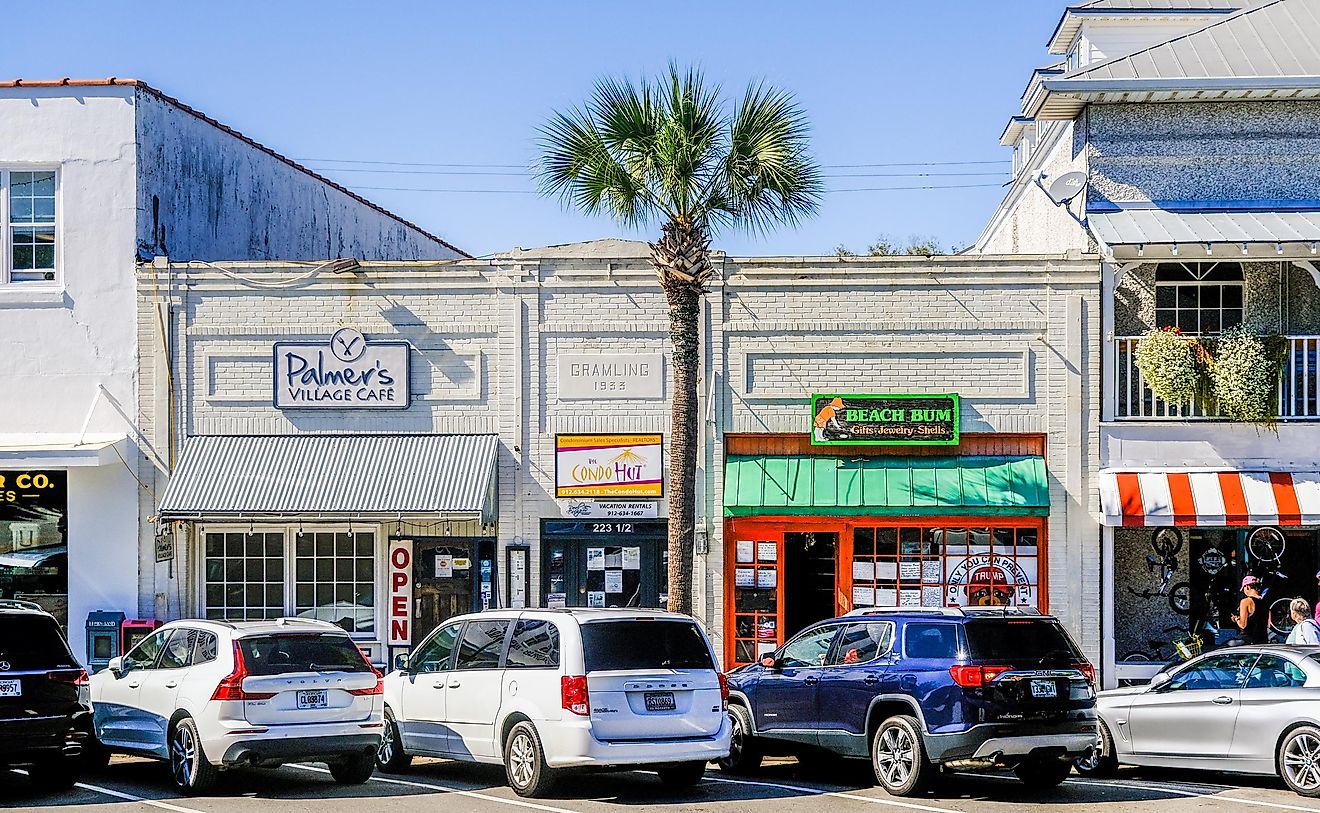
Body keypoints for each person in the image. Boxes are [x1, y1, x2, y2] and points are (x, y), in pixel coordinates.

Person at [1231, 576, 1269, 644]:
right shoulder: (1266, 602)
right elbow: (1269, 624)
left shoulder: (1246, 601)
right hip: (1263, 640)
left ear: (1247, 587)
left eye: (1243, 589)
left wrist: (1236, 619)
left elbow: (1243, 625)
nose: (1244, 592)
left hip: (1247, 640)